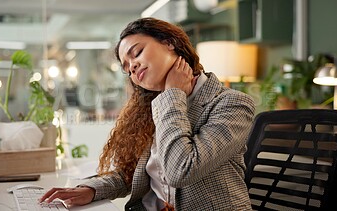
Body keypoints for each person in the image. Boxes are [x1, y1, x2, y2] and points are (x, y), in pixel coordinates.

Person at [40, 17, 255, 210]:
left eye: (137, 53)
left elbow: (181, 170)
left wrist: (173, 94)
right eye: (127, 68)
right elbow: (135, 174)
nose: (132, 67)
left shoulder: (232, 103)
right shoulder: (152, 106)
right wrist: (92, 190)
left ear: (170, 43)